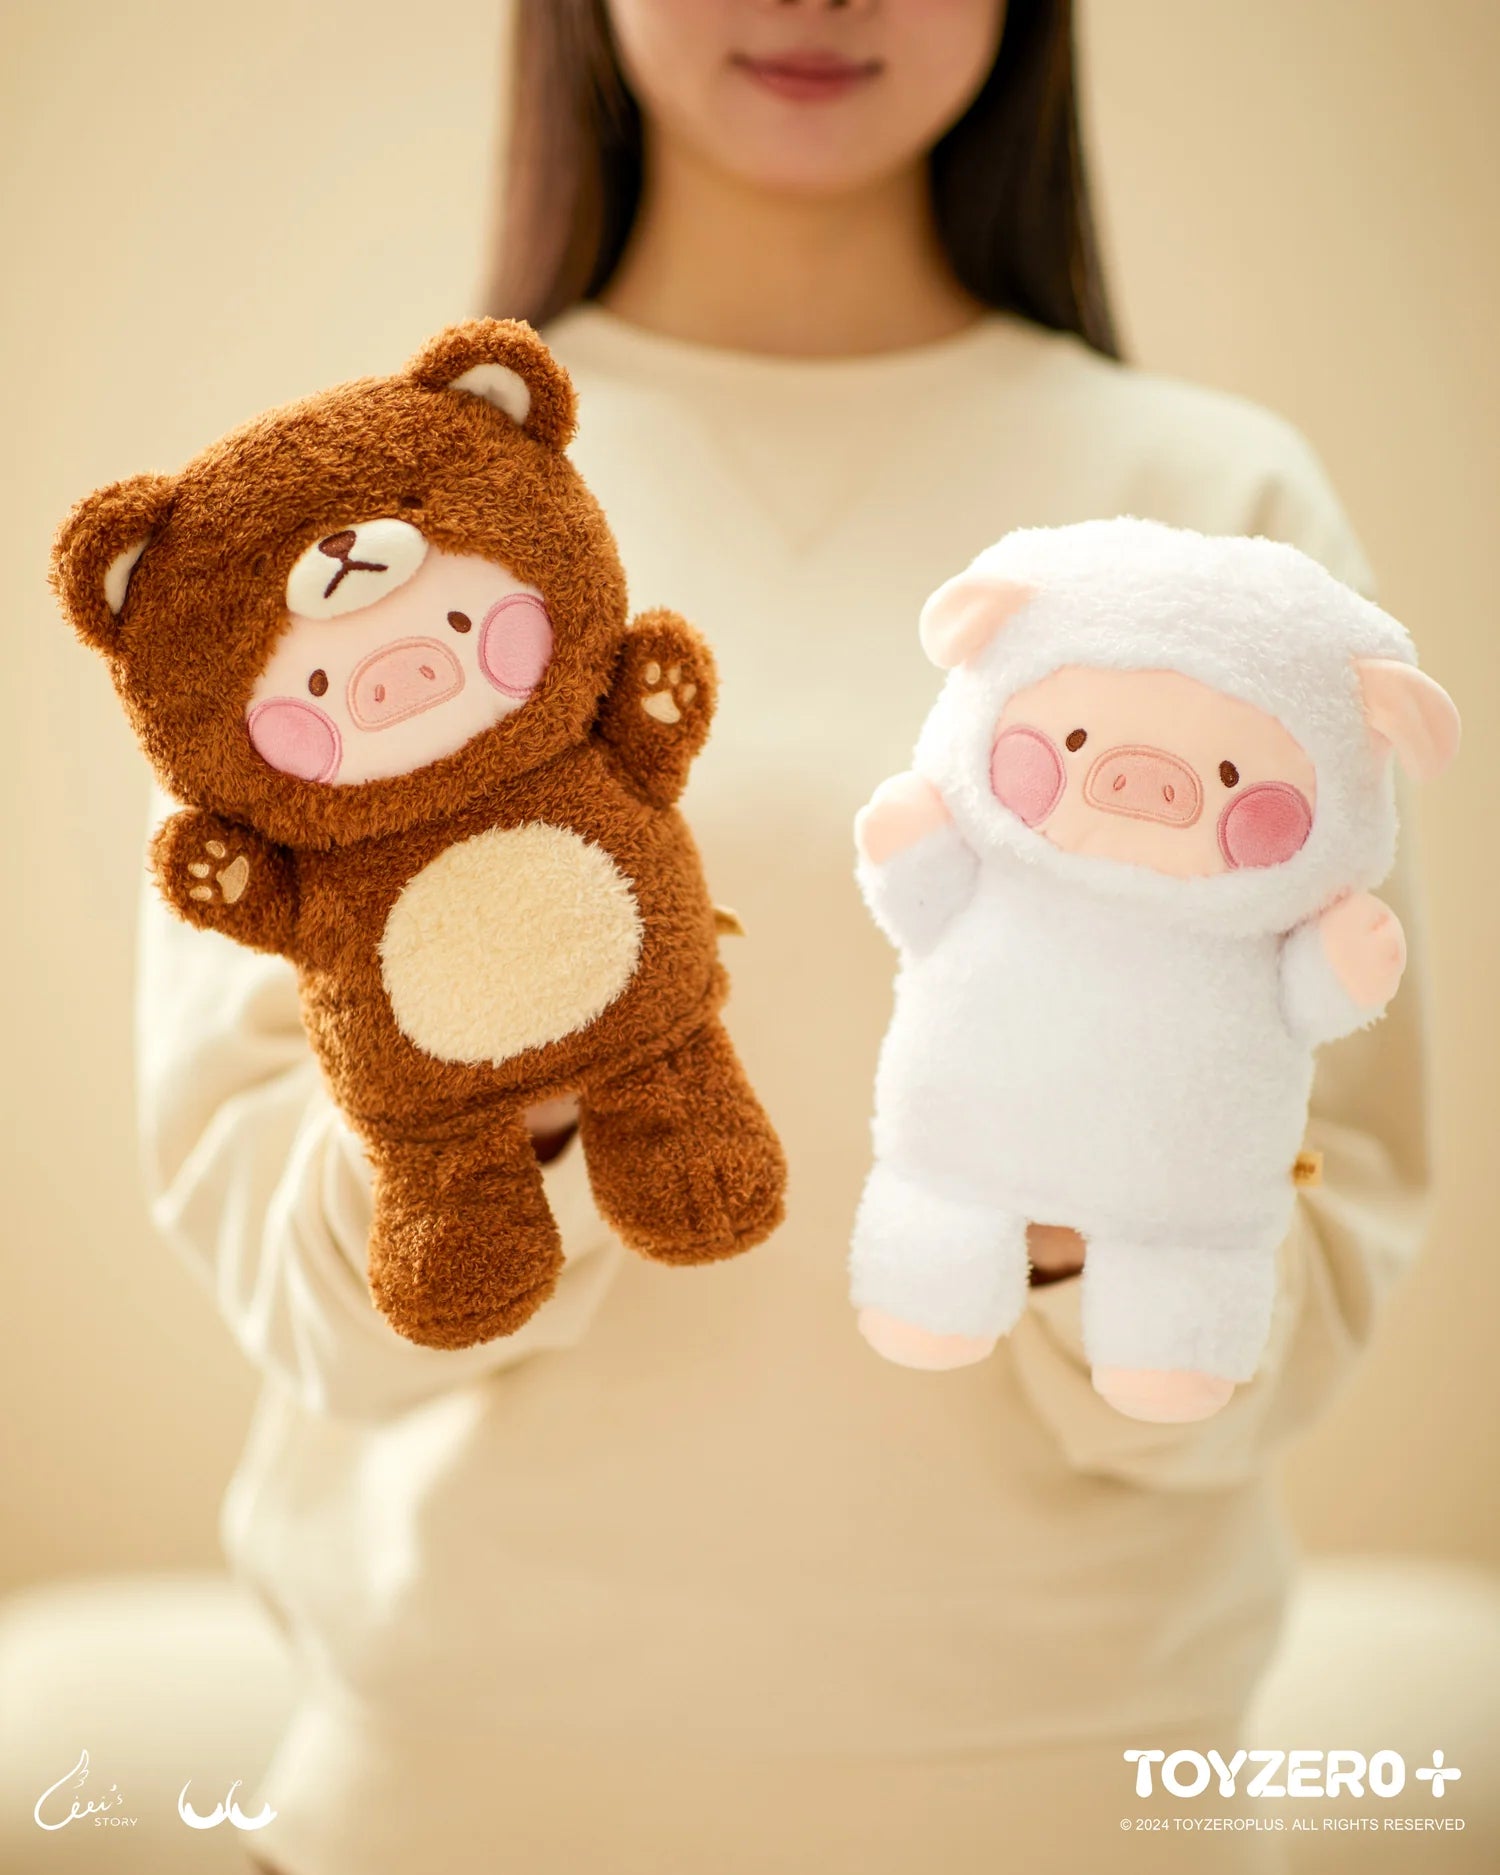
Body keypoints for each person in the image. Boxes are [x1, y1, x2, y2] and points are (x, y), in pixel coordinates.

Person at [139, 2, 1433, 1869]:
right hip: (458, 1807)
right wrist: (517, 1098)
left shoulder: (1226, 513)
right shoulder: (354, 511)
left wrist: (1099, 1235)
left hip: (1079, 1805)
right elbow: (292, 1283)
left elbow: (1334, 1233)